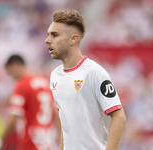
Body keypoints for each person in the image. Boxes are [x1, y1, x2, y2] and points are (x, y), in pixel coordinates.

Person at [45, 10, 126, 150]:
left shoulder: (94, 73)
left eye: (55, 35)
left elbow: (119, 116)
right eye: (48, 34)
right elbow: (66, 122)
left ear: (73, 39)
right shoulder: (55, 75)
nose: (47, 40)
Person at [0, 54, 60, 150]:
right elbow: (56, 113)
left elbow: (15, 117)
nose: (11, 77)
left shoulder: (22, 85)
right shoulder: (45, 82)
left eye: (10, 73)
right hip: (48, 141)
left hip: (31, 140)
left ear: (15, 66)